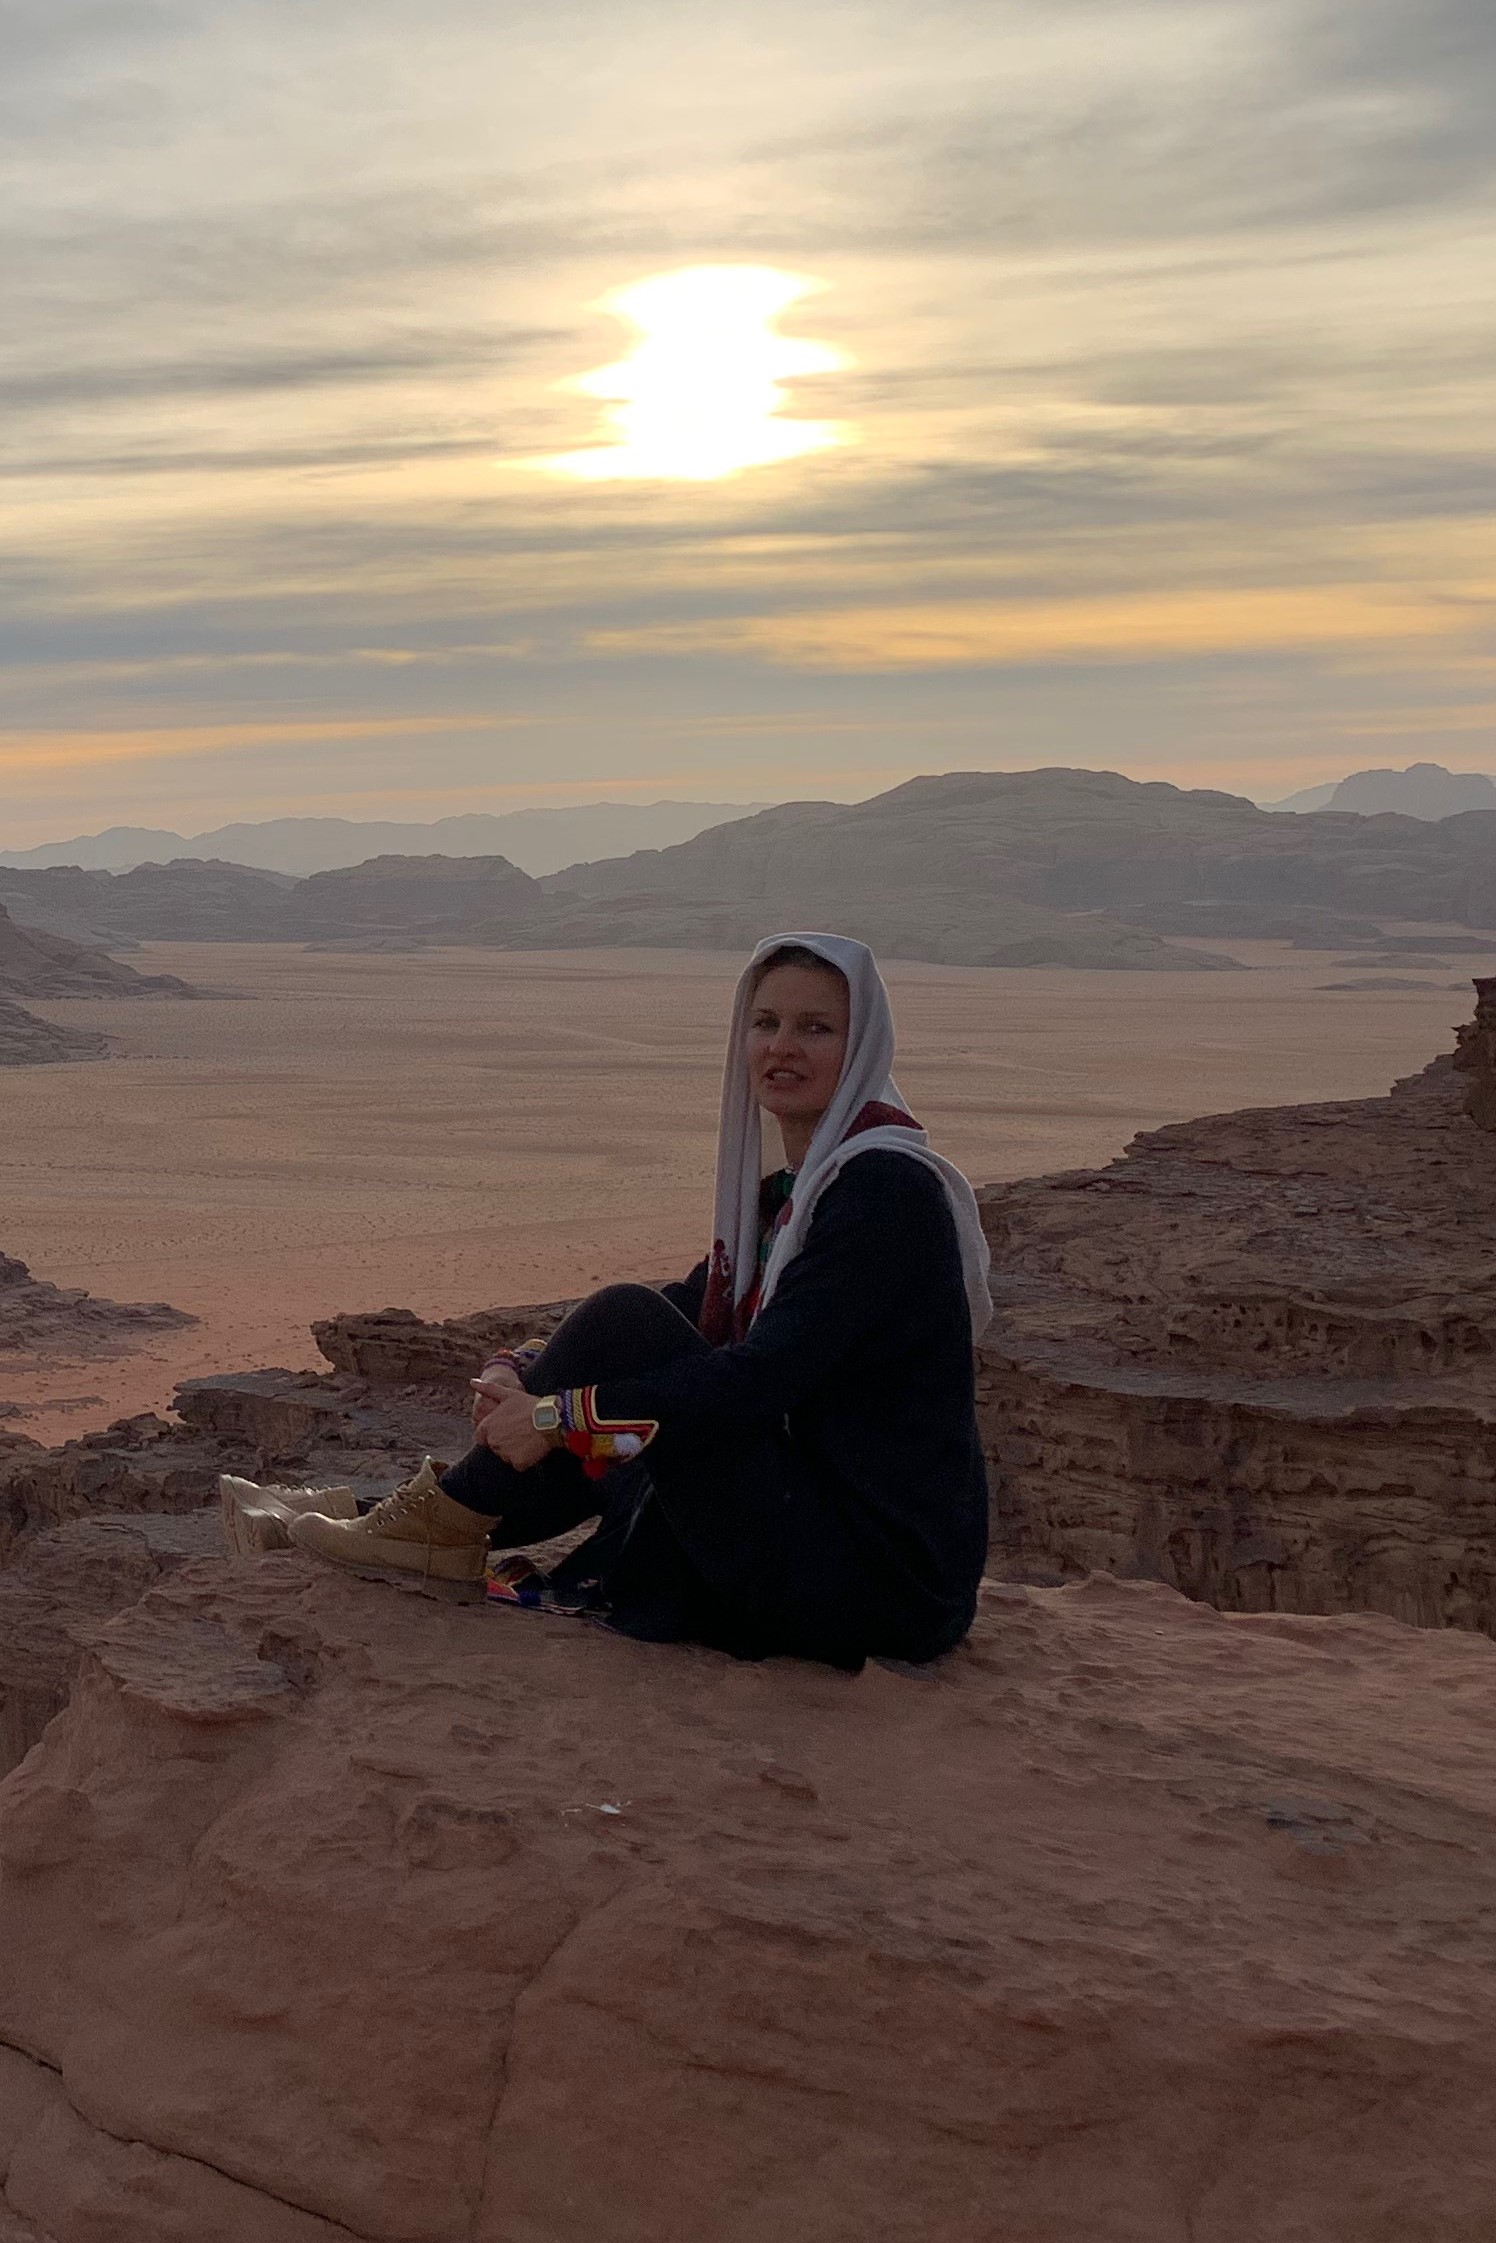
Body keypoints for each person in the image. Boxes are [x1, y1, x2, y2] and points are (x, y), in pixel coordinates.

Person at [283, 933, 993, 1668]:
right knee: (629, 1384)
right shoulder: (798, 1192)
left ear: (863, 1047)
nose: (783, 1046)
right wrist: (522, 1372)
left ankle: (423, 1529)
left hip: (879, 1588)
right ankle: (391, 1522)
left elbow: (760, 1377)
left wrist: (554, 1418)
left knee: (626, 1341)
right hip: (815, 1528)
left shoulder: (882, 1191)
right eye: (766, 1022)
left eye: (816, 1027)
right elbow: (687, 1309)